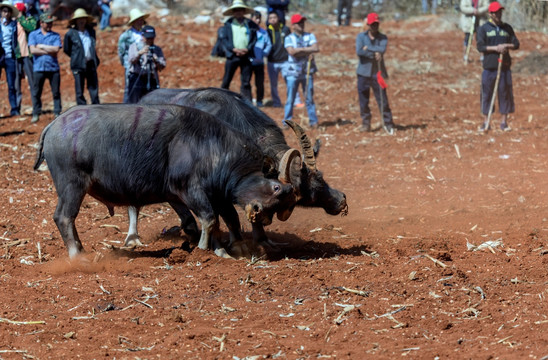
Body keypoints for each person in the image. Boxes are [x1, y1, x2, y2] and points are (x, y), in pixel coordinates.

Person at [476, 1, 519, 131]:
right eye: (496, 12)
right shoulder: (484, 29)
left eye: (500, 12)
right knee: (487, 94)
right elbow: (480, 46)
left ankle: (504, 123)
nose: (499, 14)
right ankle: (486, 122)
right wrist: (496, 48)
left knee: (504, 94)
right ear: (491, 14)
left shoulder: (507, 28)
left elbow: (516, 44)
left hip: (504, 67)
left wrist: (506, 46)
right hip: (489, 68)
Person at [355, 13, 395, 134]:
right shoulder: (361, 37)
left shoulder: (383, 37)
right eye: (372, 24)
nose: (374, 26)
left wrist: (367, 49)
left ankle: (388, 124)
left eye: (376, 24)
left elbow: (382, 50)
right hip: (363, 73)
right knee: (363, 100)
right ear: (368, 25)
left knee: (383, 99)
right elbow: (359, 51)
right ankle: (366, 123)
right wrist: (373, 53)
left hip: (377, 73)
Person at [282, 13, 319, 128]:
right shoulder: (288, 38)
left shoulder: (310, 36)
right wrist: (307, 50)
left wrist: (300, 50)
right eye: (299, 23)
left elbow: (316, 48)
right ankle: (287, 122)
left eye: (302, 22)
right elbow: (291, 52)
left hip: (307, 71)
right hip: (293, 72)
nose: (301, 24)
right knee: (290, 99)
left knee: (309, 97)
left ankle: (313, 121)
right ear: (293, 25)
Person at [219, 0, 258, 101]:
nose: (238, 12)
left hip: (246, 55)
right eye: (236, 10)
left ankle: (247, 103)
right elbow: (224, 39)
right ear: (233, 12)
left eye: (240, 10)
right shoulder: (228, 24)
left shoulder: (250, 24)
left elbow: (254, 39)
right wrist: (233, 49)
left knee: (246, 82)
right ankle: (221, 101)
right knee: (227, 80)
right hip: (232, 56)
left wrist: (247, 49)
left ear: (244, 11)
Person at [28, 12, 61, 123]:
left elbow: (56, 50)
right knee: (36, 92)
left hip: (53, 68)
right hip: (38, 68)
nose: (49, 25)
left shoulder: (56, 35)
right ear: (41, 23)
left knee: (56, 92)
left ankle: (57, 112)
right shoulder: (33, 34)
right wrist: (49, 50)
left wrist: (41, 46)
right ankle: (36, 112)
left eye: (50, 23)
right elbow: (33, 50)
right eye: (47, 23)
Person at [63, 8, 100, 105]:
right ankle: (82, 109)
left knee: (93, 88)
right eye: (79, 19)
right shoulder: (70, 34)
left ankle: (96, 108)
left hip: (91, 63)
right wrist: (76, 56)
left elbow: (93, 45)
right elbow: (67, 49)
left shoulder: (91, 32)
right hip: (78, 65)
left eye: (83, 18)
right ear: (75, 21)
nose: (81, 21)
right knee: (79, 90)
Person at [126, 25, 165, 103]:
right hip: (137, 77)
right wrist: (139, 53)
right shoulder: (135, 46)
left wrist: (156, 59)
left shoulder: (156, 49)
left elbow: (162, 66)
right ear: (142, 36)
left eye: (152, 38)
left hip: (151, 78)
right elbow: (131, 60)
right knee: (134, 103)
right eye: (148, 38)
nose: (150, 40)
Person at [118, 8, 149, 103]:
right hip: (131, 67)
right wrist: (127, 65)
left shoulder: (145, 34)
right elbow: (121, 53)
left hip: (144, 68)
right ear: (133, 22)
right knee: (129, 90)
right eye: (138, 20)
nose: (140, 22)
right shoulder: (125, 36)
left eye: (141, 20)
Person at [14, 2, 37, 114]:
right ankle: (16, 108)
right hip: (17, 56)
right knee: (16, 83)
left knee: (32, 82)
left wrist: (21, 19)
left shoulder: (29, 20)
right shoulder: (12, 23)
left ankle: (36, 107)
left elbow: (31, 28)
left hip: (28, 54)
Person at [0, 0, 20, 116]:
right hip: (0, 56)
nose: (6, 14)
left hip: (10, 57)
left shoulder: (14, 25)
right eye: (4, 11)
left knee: (12, 84)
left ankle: (14, 108)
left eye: (8, 11)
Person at [250, 11, 271, 107]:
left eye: (259, 18)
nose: (257, 20)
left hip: (259, 62)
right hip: (248, 61)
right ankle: (248, 101)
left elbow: (269, 44)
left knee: (259, 82)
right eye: (256, 18)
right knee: (246, 82)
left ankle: (259, 101)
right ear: (251, 19)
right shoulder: (248, 30)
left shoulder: (263, 32)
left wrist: (263, 53)